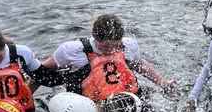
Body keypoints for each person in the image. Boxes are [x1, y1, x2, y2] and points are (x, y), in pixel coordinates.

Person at [41, 14, 176, 101]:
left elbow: (140, 65)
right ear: (94, 36)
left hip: (125, 98)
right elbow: (40, 72)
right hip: (86, 104)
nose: (111, 50)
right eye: (105, 47)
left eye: (115, 46)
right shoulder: (72, 50)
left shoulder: (128, 46)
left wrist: (163, 83)